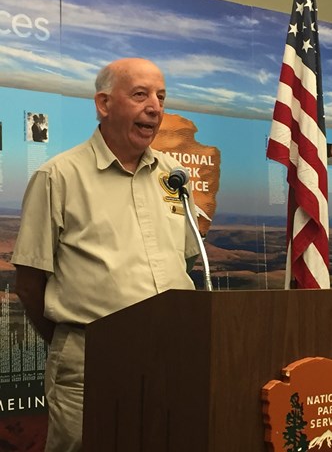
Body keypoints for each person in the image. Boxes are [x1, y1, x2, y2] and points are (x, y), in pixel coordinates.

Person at [11, 57, 200, 452]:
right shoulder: (59, 176)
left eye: (161, 96)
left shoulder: (173, 175)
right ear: (103, 104)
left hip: (171, 358)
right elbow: (29, 285)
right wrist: (77, 341)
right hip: (89, 362)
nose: (155, 107)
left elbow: (184, 259)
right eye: (140, 95)